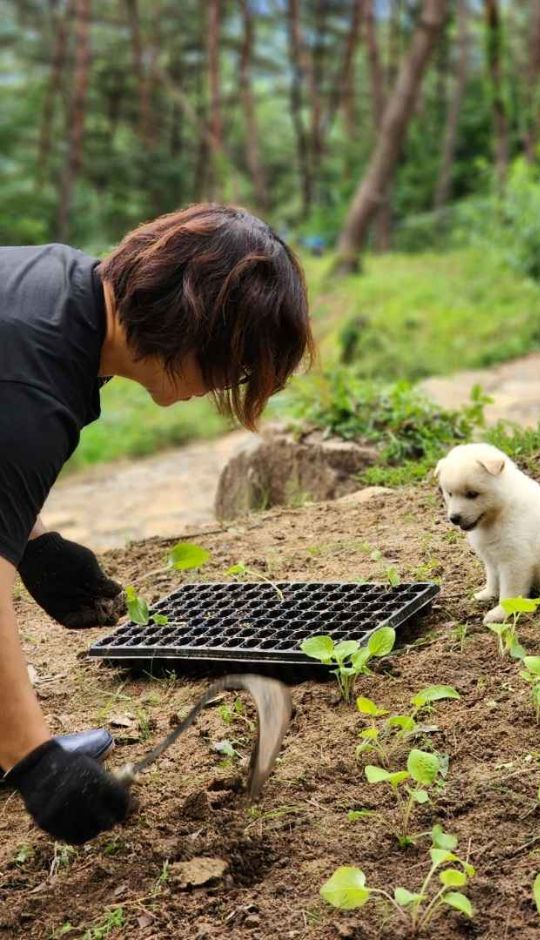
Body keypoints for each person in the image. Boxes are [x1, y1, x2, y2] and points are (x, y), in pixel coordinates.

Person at [0, 203, 314, 844]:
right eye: (237, 364)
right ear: (195, 323)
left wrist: (32, 547)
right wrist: (35, 761)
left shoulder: (61, 295)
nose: (230, 384)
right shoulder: (31, 387)